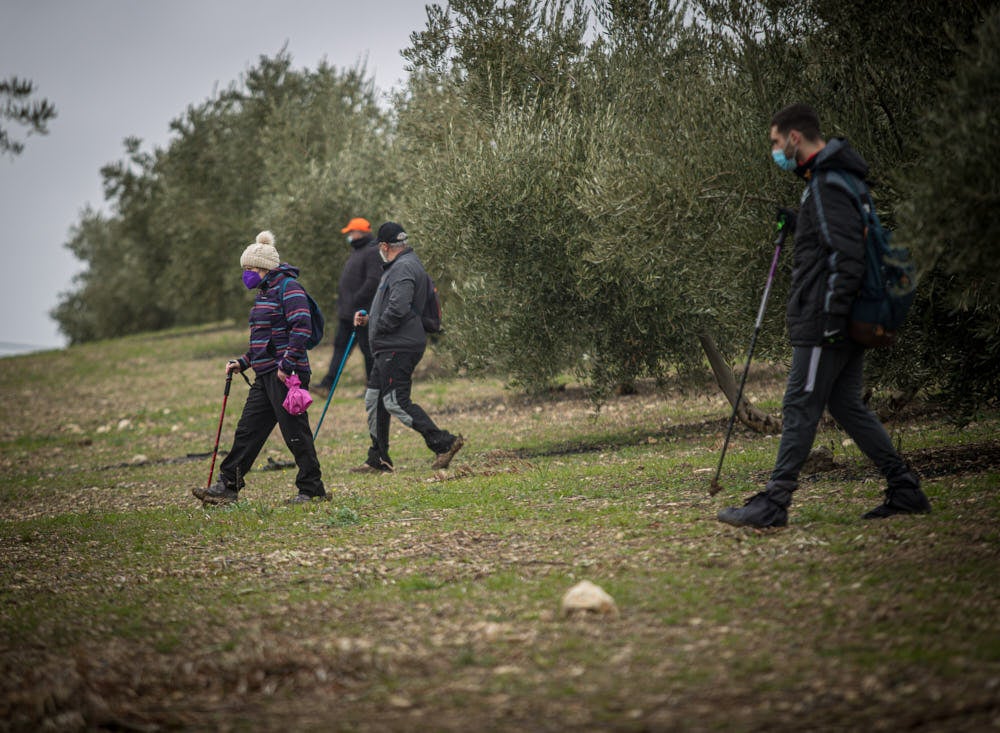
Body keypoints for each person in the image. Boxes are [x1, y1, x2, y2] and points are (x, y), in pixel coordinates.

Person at [717, 103, 931, 528]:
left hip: (825, 322)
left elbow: (846, 257)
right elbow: (838, 237)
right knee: (847, 405)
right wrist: (802, 224)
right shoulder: (841, 179)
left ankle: (775, 502)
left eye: (776, 142)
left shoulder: (828, 184)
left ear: (795, 138)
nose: (775, 151)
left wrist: (831, 320)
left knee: (799, 405)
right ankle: (905, 488)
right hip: (843, 317)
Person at [193, 230, 327, 506]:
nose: (246, 275)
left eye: (250, 269)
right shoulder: (264, 293)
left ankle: (312, 490)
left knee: (295, 433)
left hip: (286, 375)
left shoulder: (289, 288)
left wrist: (287, 364)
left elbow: (302, 327)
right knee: (248, 430)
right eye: (245, 269)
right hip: (265, 374)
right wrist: (243, 362)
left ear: (264, 268)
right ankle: (228, 486)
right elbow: (262, 341)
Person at [351, 221, 464, 473]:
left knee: (395, 401)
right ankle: (378, 458)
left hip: (398, 345)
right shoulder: (400, 266)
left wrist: (379, 327)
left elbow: (398, 308)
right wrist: (370, 321)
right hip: (390, 344)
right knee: (374, 399)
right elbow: (395, 306)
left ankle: (443, 442)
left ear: (384, 246)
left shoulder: (402, 268)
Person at [314, 217, 382, 396]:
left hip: (361, 313)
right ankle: (327, 385)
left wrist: (357, 299)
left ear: (360, 232)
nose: (350, 235)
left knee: (368, 351)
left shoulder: (371, 251)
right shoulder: (357, 251)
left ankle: (373, 388)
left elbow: (373, 280)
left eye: (351, 232)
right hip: (347, 313)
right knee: (340, 348)